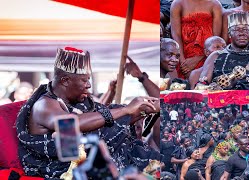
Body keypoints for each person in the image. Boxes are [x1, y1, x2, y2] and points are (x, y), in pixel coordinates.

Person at [16, 47, 160, 178]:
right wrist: (125, 110)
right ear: (65, 80)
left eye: (89, 80)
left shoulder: (78, 102)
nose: (89, 85)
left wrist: (141, 111)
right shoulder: (44, 105)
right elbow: (70, 124)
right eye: (84, 80)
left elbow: (105, 121)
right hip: (63, 170)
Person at [170, 0, 223, 79]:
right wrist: (183, 63)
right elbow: (176, 35)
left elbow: (215, 40)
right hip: (183, 56)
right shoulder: (177, 4)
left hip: (207, 57)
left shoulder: (215, 4)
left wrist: (198, 58)